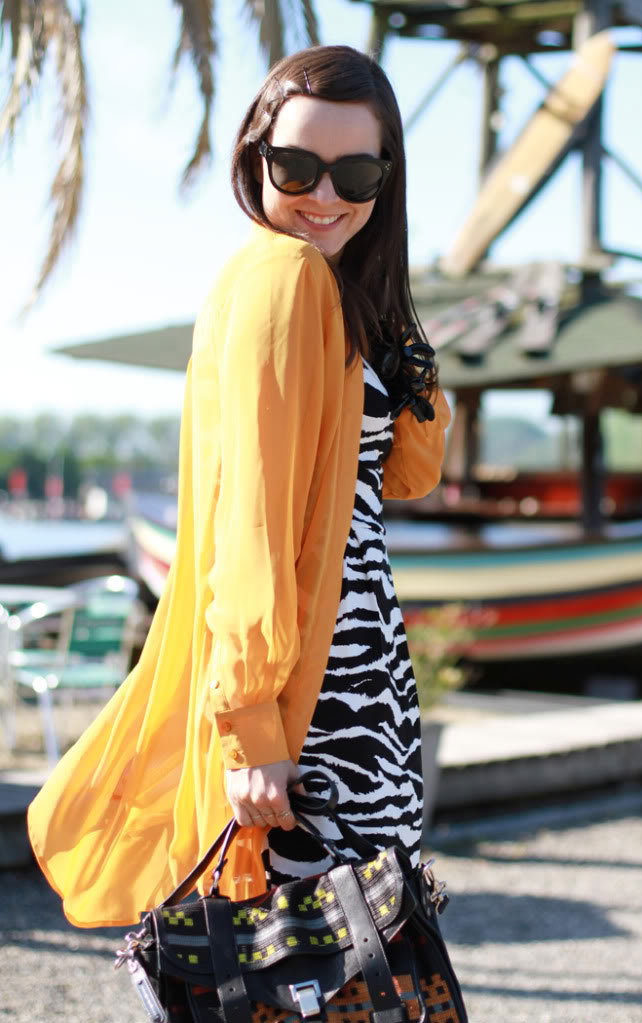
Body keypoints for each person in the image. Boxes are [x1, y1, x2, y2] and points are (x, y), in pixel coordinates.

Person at [27, 44, 451, 928]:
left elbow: (408, 474)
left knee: (340, 955)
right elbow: (248, 526)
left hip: (360, 663)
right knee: (326, 956)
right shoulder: (281, 278)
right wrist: (253, 727)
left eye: (356, 173)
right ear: (256, 157)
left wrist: (394, 321)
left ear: (387, 180)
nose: (324, 195)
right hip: (319, 686)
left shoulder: (332, 291)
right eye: (296, 166)